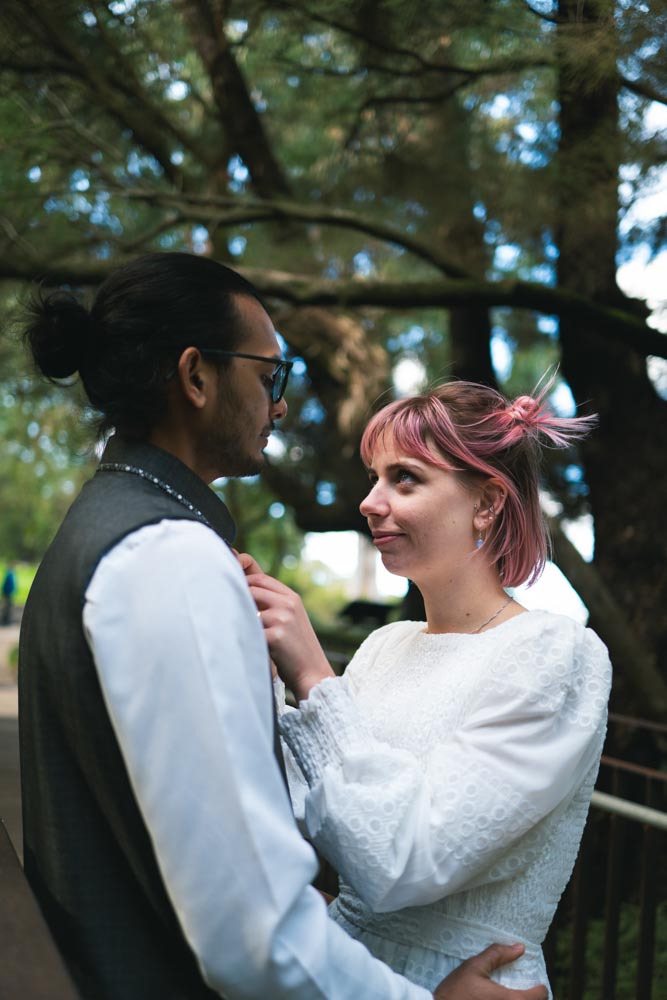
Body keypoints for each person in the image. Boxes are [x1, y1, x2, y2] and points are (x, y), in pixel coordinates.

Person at [18, 252, 547, 1000]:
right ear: (196, 376)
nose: (283, 405)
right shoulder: (169, 555)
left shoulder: (108, 526)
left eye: (407, 479)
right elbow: (256, 936)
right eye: (271, 377)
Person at [242, 380, 612, 998]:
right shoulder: (387, 645)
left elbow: (402, 860)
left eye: (404, 479)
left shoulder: (556, 655)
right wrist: (262, 672)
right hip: (342, 971)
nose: (369, 501)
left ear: (488, 503)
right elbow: (311, 811)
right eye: (372, 477)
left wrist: (311, 674)